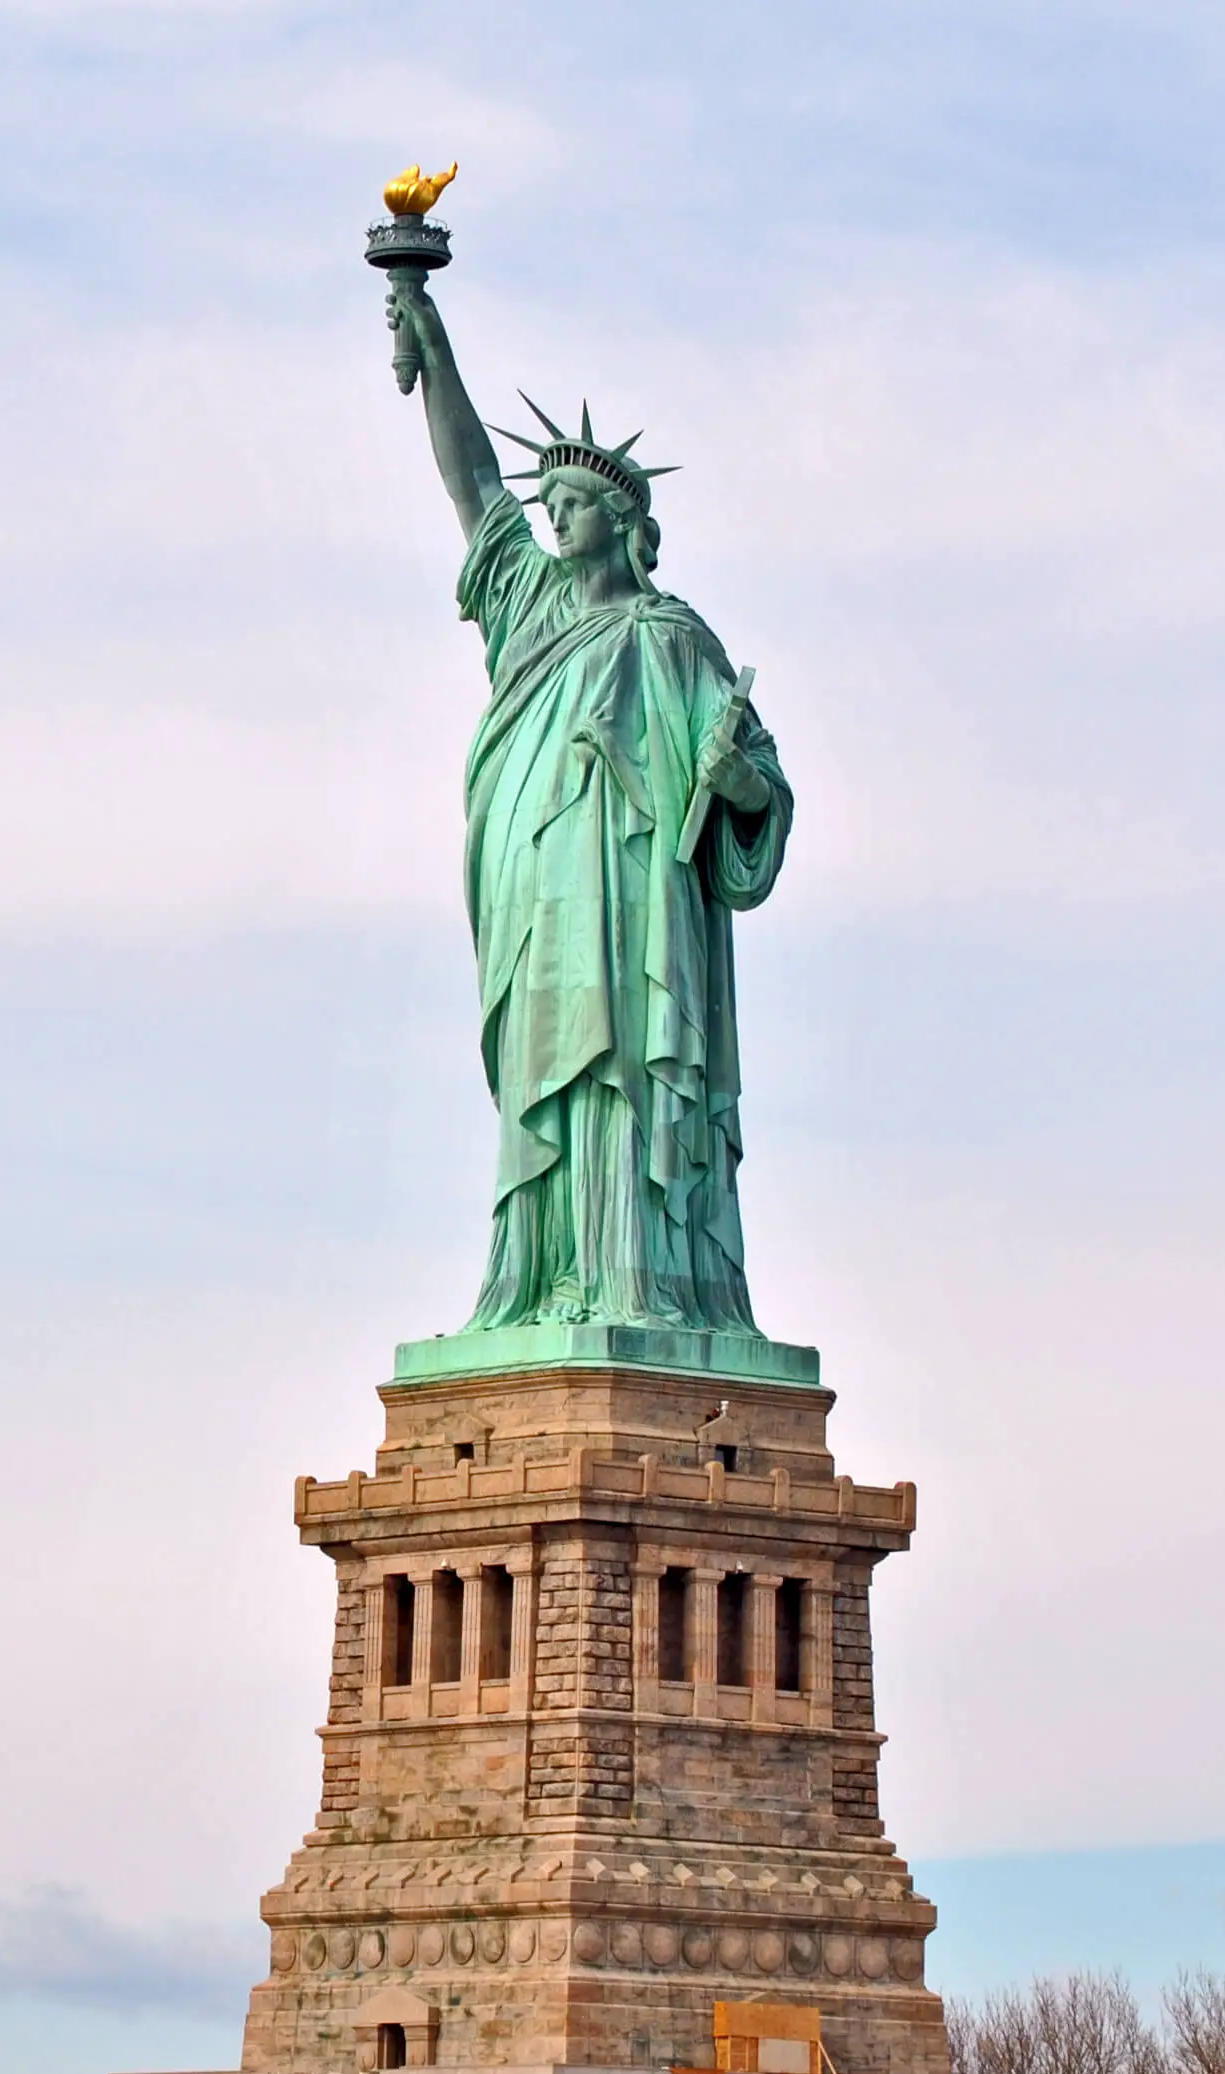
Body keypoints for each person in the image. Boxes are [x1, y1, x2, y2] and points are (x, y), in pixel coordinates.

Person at [383, 276, 792, 1333]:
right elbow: (473, 483)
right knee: (554, 1081)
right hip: (542, 902)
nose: (551, 516)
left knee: (628, 1076)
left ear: (623, 522)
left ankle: (636, 1282)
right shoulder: (526, 603)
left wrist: (741, 788)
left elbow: (757, 791)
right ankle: (539, 1282)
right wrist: (433, 345)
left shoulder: (675, 641)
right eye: (549, 504)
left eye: (571, 504)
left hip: (639, 907)